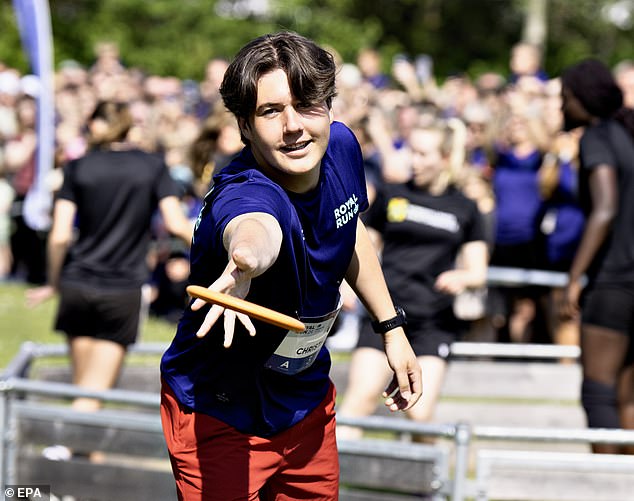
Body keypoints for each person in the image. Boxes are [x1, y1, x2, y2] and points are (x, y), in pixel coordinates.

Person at [159, 31, 422, 500]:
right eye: (270, 111)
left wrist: (391, 326)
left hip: (305, 404)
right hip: (221, 414)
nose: (294, 125)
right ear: (244, 125)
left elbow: (349, 227)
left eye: (307, 104)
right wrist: (245, 263)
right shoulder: (246, 193)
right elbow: (255, 229)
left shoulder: (341, 146)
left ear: (330, 106)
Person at [26, 101, 192, 458]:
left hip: (77, 285)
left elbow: (58, 235)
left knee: (86, 389)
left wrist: (53, 283)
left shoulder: (77, 167)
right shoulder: (152, 166)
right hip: (122, 290)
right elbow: (177, 224)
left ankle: (81, 467)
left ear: (96, 125)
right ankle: (60, 457)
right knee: (93, 394)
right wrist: (222, 247)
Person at [337, 120, 488, 439]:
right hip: (385, 315)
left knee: (419, 413)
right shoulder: (392, 195)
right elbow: (364, 246)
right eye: (411, 152)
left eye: (423, 154)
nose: (414, 161)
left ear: (446, 158)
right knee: (359, 400)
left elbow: (478, 270)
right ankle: (333, 485)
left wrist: (462, 277)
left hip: (432, 322)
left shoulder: (465, 207)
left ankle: (434, 486)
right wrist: (345, 285)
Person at [559, 59, 634, 454]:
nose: (560, 108)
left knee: (598, 391)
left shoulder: (597, 138)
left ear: (582, 99)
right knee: (627, 394)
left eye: (564, 98)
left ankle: (607, 486)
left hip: (614, 282)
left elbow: (605, 208)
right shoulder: (628, 132)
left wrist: (575, 275)